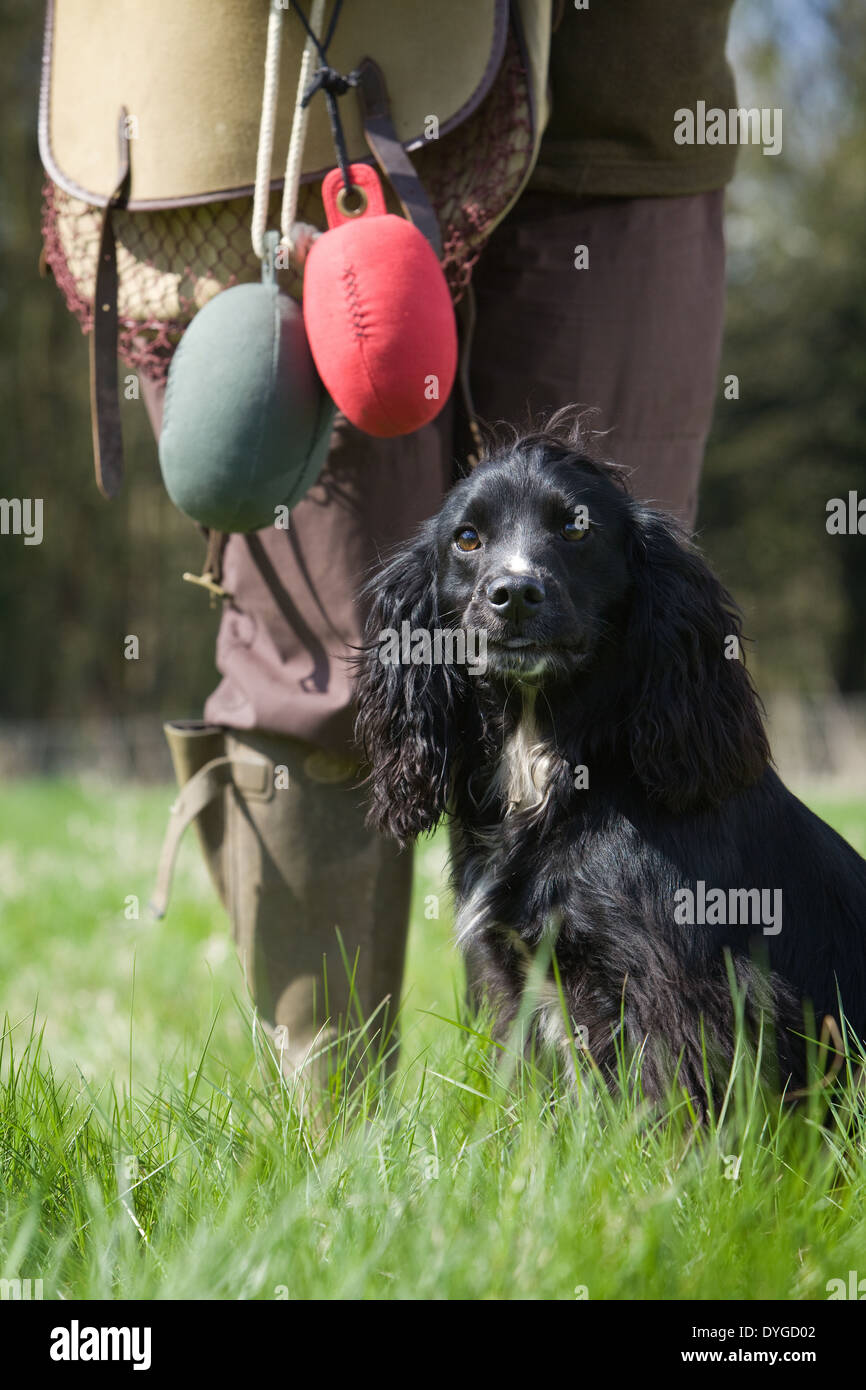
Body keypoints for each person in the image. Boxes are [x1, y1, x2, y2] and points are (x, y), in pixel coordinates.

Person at [43, 0, 739, 1098]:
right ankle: (334, 1153)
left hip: (626, 99)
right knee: (327, 666)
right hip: (288, 93)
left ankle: (590, 1150)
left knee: (608, 636)